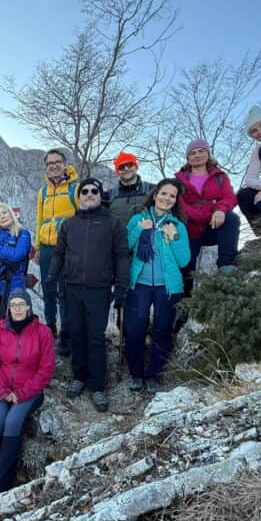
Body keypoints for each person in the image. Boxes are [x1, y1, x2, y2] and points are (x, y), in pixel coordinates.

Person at [47, 178, 129, 413]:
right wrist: (51, 280)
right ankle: (79, 377)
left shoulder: (112, 224)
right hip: (72, 287)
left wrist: (121, 285)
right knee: (76, 334)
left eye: (95, 190)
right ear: (79, 196)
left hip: (99, 289)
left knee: (95, 337)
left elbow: (122, 255)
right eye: (85, 191)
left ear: (100, 195)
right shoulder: (69, 224)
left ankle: (97, 386)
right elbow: (59, 255)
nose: (90, 194)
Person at [0, 290, 55, 502]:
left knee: (12, 423)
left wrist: (21, 393)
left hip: (29, 390)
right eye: (13, 305)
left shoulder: (42, 332)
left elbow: (46, 370)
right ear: (8, 308)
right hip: (3, 388)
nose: (18, 309)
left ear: (29, 307)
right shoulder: (0, 328)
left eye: (22, 304)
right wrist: (2, 388)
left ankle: (1, 484)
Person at [125, 179, 191, 393]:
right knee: (134, 330)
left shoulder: (177, 226)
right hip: (139, 283)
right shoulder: (138, 218)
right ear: (155, 195)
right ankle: (136, 373)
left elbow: (184, 261)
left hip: (168, 286)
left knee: (162, 331)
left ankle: (153, 373)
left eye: (172, 196)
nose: (167, 198)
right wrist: (139, 229)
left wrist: (174, 237)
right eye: (164, 193)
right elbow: (125, 245)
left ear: (175, 201)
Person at [175, 139, 239, 294]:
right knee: (186, 265)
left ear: (208, 154)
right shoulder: (180, 179)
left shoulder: (219, 176)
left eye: (201, 151)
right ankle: (183, 303)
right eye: (192, 153)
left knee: (232, 218)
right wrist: (205, 214)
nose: (197, 155)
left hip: (213, 227)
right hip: (190, 230)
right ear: (188, 158)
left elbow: (229, 197)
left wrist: (220, 210)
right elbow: (179, 204)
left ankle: (225, 267)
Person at [32, 149, 80, 355]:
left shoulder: (75, 189)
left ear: (64, 164)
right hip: (47, 247)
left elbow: (81, 218)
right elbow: (40, 220)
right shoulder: (42, 192)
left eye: (57, 162)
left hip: (68, 248)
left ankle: (66, 335)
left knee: (65, 292)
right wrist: (37, 246)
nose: (53, 166)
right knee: (48, 289)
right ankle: (50, 329)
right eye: (49, 163)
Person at [107, 151, 156, 228]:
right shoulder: (109, 195)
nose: (126, 169)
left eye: (129, 165)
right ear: (117, 172)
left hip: (147, 238)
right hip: (119, 239)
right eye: (121, 167)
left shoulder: (153, 190)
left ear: (136, 167)